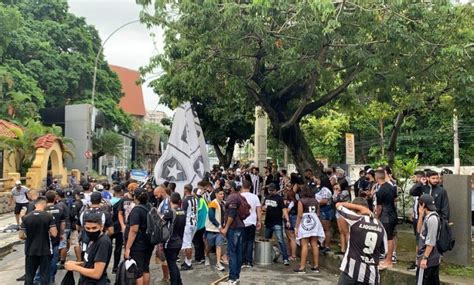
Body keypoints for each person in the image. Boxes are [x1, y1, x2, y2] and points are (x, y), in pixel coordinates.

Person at [336, 198, 388, 285]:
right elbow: (384, 251)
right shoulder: (380, 225)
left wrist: (360, 208)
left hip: (350, 272)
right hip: (371, 275)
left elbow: (339, 205)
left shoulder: (356, 219)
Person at [65, 210, 113, 285]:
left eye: (94, 228)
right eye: (88, 228)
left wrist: (75, 268)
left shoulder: (103, 242)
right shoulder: (93, 239)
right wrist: (76, 264)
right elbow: (91, 262)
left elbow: (97, 273)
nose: (91, 231)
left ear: (101, 227)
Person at [19, 196, 58, 285]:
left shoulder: (26, 217)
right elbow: (54, 233)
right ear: (44, 204)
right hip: (45, 250)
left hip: (30, 250)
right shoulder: (48, 216)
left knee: (29, 275)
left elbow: (21, 236)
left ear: (36, 204)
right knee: (44, 275)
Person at [124, 187, 154, 285]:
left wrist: (128, 248)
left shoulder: (137, 210)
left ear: (135, 197)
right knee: (146, 267)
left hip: (138, 244)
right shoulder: (151, 207)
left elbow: (134, 230)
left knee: (138, 270)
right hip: (149, 241)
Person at [294, 186, 325, 273]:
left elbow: (299, 215)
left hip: (305, 221)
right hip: (315, 221)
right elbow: (318, 213)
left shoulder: (301, 201)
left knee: (304, 244)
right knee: (314, 244)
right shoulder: (315, 201)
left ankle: (302, 267)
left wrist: (296, 227)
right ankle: (316, 266)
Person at [220, 181, 246, 284]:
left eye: (227, 186)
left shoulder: (232, 198)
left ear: (231, 188)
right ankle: (236, 276)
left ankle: (232, 278)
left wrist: (226, 228)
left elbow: (231, 214)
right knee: (238, 253)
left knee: (232, 253)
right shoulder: (239, 196)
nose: (225, 188)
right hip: (239, 227)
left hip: (234, 228)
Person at [374, 170, 397, 270]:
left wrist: (376, 217)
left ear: (376, 177)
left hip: (386, 216)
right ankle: (388, 259)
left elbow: (379, 207)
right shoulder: (391, 187)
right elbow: (395, 199)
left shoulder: (380, 190)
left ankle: (389, 260)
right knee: (389, 237)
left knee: (388, 239)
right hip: (393, 213)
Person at [416, 194, 441, 285]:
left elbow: (431, 241)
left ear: (422, 205)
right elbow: (419, 231)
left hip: (429, 259)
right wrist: (420, 215)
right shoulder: (427, 217)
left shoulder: (432, 219)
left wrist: (424, 258)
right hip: (427, 258)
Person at [263, 183, 290, 266]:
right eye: (269, 190)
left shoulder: (279, 199)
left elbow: (284, 209)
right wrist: (263, 208)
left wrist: (287, 220)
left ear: (275, 190)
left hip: (277, 222)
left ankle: (285, 258)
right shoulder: (267, 197)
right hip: (268, 222)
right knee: (266, 240)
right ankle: (266, 256)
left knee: (280, 240)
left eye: (272, 190)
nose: (270, 192)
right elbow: (263, 207)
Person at [164, 192, 186, 285]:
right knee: (173, 263)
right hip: (179, 240)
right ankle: (179, 282)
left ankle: (174, 282)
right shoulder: (182, 211)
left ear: (170, 201)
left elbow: (160, 221)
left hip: (170, 242)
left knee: (171, 264)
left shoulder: (170, 212)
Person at [407, 170, 427, 271]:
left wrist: (420, 182)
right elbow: (412, 193)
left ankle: (419, 262)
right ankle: (417, 261)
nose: (413, 179)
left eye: (415, 177)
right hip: (416, 216)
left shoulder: (423, 187)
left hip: (422, 218)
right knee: (417, 240)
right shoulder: (417, 188)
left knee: (420, 240)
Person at [241, 180, 263, 267]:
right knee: (250, 241)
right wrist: (259, 221)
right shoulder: (255, 197)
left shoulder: (240, 196)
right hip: (252, 222)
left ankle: (242, 261)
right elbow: (259, 210)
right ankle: (249, 261)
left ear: (242, 186)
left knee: (242, 242)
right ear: (250, 187)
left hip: (242, 222)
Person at [205, 188, 226, 271]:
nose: (222, 195)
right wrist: (219, 226)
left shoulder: (223, 203)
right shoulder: (213, 203)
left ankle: (218, 263)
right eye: (220, 194)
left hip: (219, 229)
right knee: (209, 246)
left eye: (223, 194)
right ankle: (206, 256)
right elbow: (211, 217)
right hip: (211, 229)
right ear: (216, 194)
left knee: (219, 245)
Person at [181, 184, 198, 270]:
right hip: (194, 223)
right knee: (188, 243)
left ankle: (189, 263)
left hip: (188, 224)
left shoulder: (185, 200)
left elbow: (183, 213)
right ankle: (187, 261)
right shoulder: (195, 198)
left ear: (185, 190)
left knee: (187, 244)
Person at [315, 178, 333, 254]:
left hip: (325, 210)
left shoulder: (325, 190)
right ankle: (323, 244)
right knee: (323, 229)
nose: (317, 180)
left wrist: (316, 203)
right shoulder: (322, 189)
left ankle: (327, 246)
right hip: (324, 210)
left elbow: (324, 201)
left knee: (326, 229)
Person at [333, 183, 350, 255]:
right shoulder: (337, 192)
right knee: (341, 231)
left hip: (344, 212)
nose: (337, 187)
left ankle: (349, 249)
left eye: (339, 185)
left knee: (346, 231)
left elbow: (338, 199)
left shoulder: (345, 192)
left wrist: (336, 192)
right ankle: (342, 249)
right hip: (338, 212)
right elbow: (334, 200)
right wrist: (335, 192)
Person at [110, 185, 124, 273]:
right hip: (120, 226)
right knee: (118, 248)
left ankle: (104, 266)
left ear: (113, 192)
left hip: (110, 226)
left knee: (108, 248)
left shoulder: (109, 202)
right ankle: (115, 267)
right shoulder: (123, 202)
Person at [193, 187, 208, 264]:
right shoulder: (203, 200)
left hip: (198, 225)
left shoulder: (198, 201)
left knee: (197, 241)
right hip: (204, 224)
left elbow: (196, 212)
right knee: (201, 241)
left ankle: (198, 257)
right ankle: (202, 257)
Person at [284, 188, 298, 261]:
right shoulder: (297, 202)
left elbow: (287, 210)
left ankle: (293, 255)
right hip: (295, 218)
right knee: (291, 237)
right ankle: (291, 254)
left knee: (291, 237)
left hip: (290, 218)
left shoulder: (290, 202)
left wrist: (287, 220)